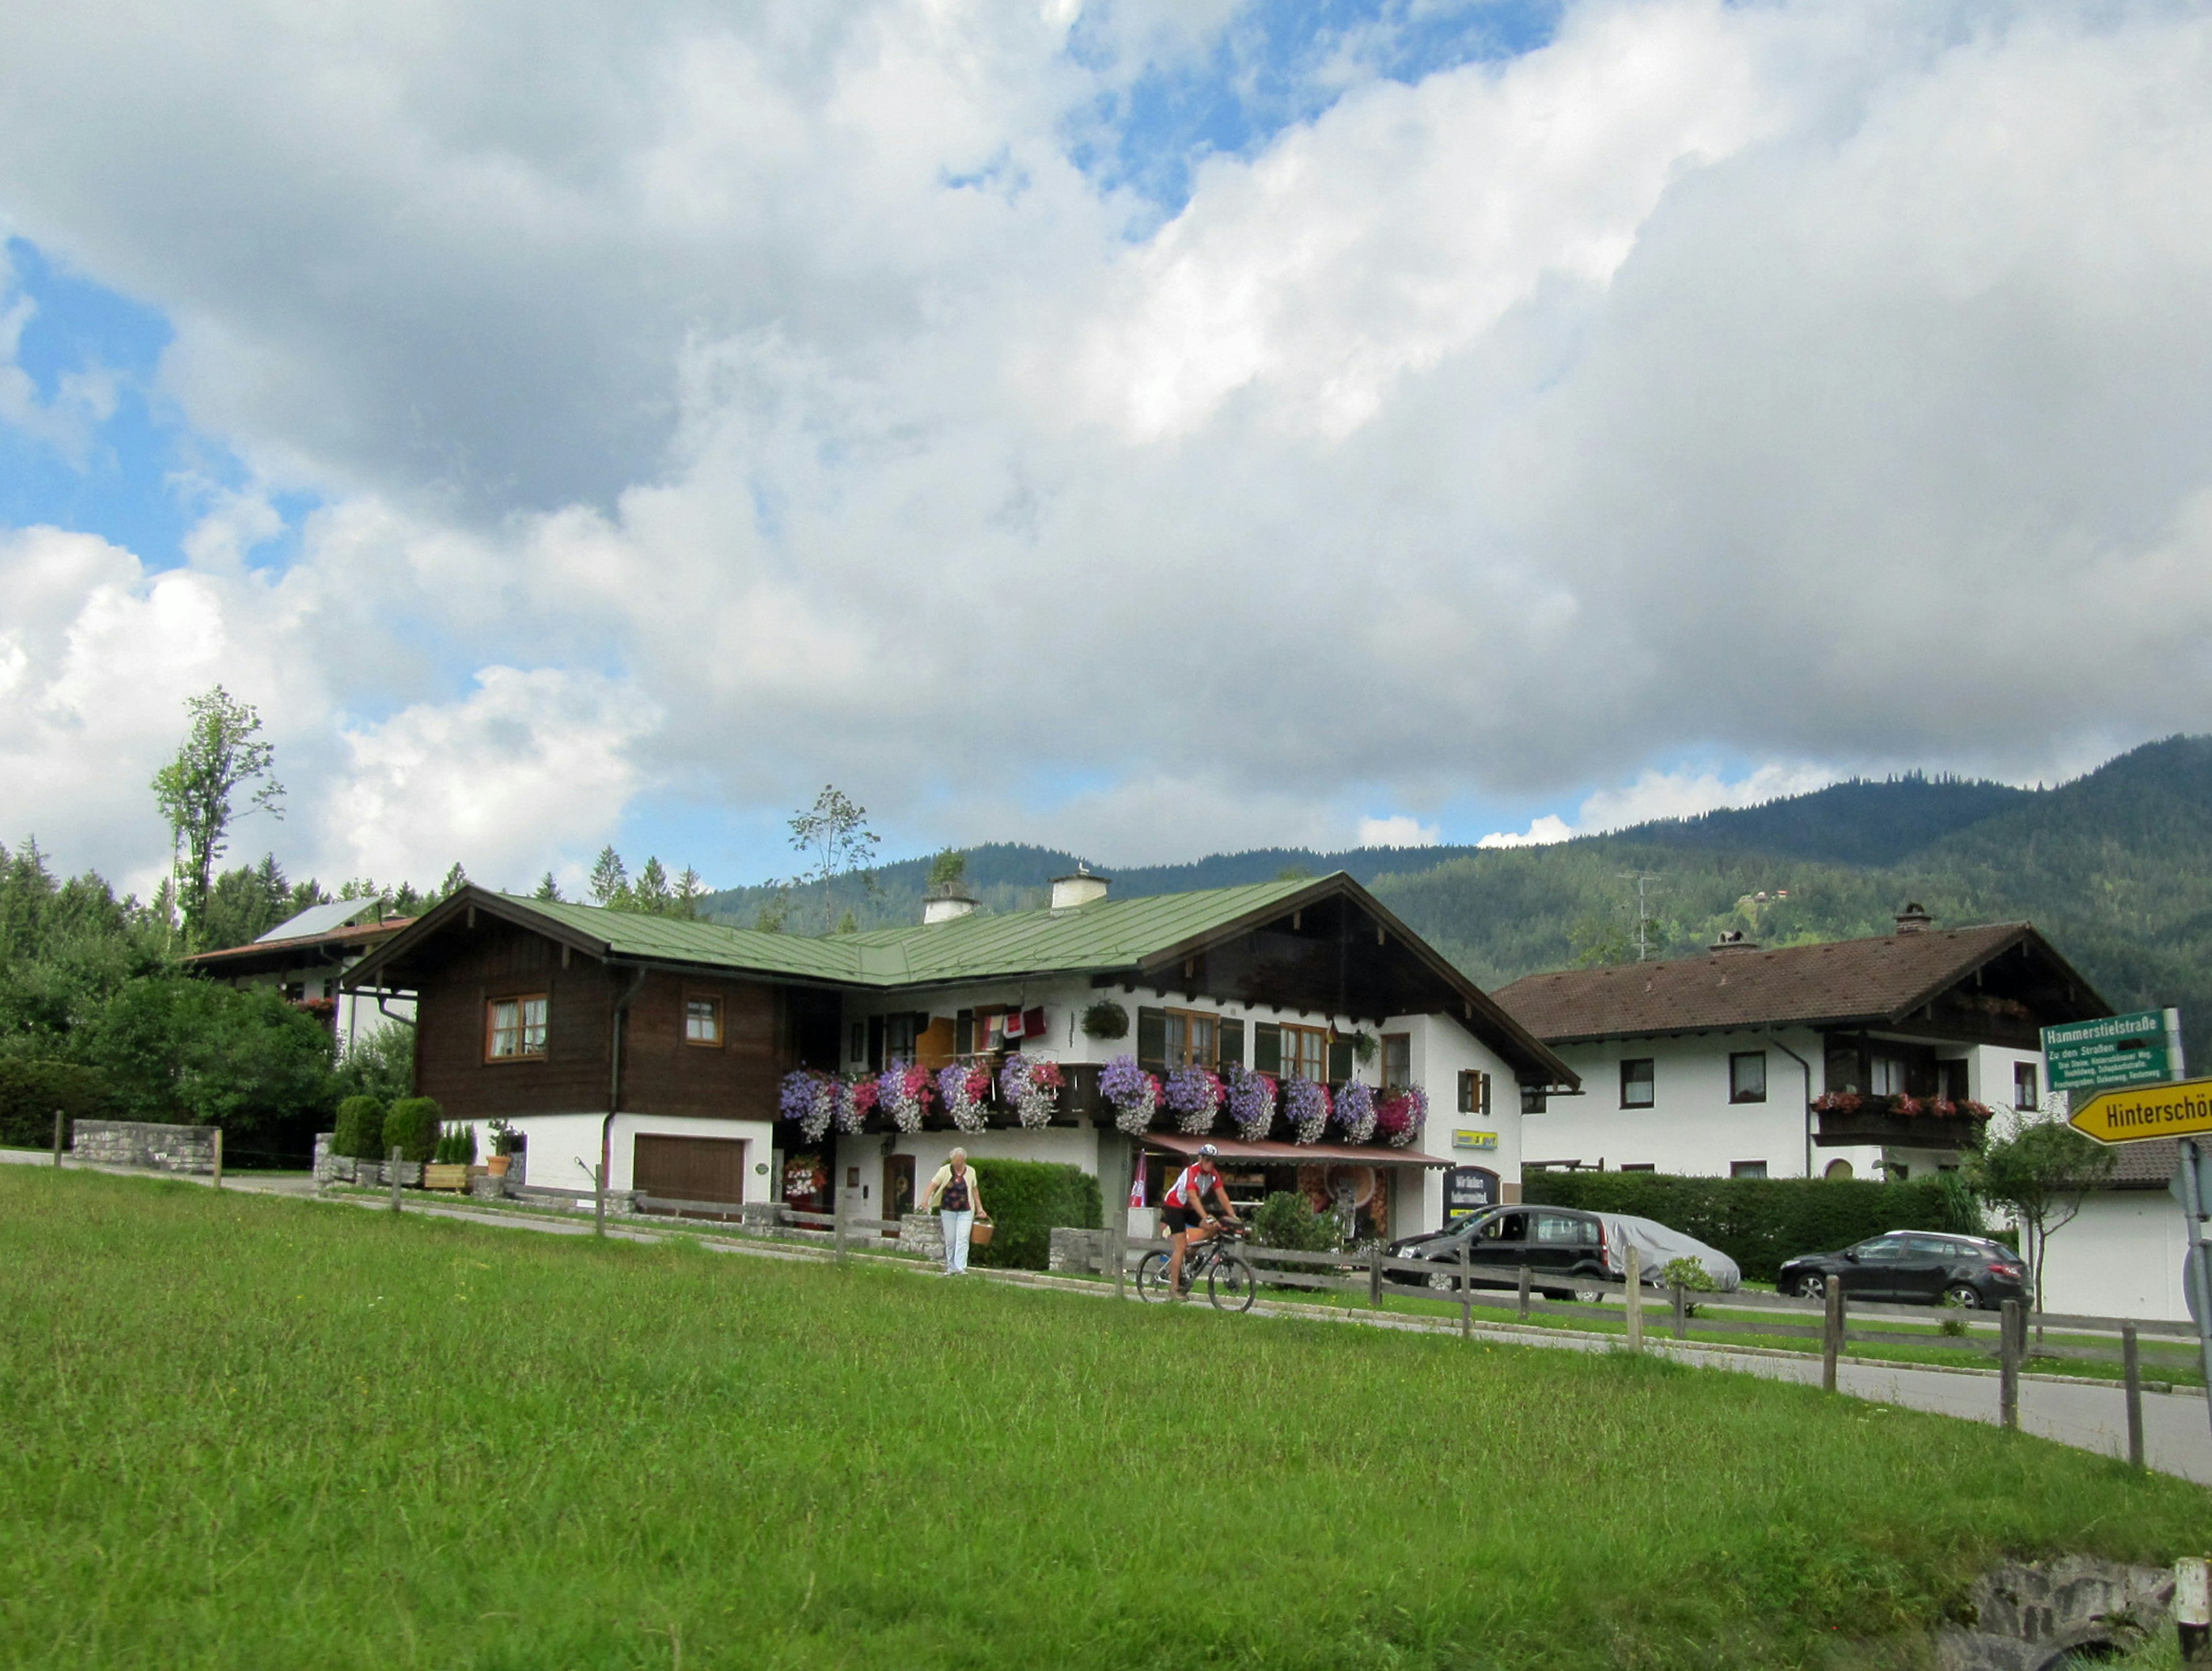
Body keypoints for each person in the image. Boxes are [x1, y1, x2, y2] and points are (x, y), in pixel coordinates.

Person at [1161, 1144, 1240, 1299]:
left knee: (1214, 1227)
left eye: (1213, 1161)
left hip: (1189, 1208)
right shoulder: (1192, 1172)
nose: (1210, 1164)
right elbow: (1193, 1197)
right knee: (1180, 1247)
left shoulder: (1213, 1175)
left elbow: (1222, 1195)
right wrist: (1205, 1217)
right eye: (1208, 1160)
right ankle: (1173, 1289)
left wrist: (1234, 1216)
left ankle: (1190, 1255)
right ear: (1201, 1159)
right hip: (1175, 1206)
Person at [924, 1148, 989, 1275]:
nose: (958, 1163)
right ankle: (951, 1267)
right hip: (948, 1210)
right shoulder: (945, 1171)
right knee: (951, 1239)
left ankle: (960, 1268)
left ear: (964, 1160)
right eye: (955, 1160)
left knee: (963, 1238)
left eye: (960, 1160)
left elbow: (975, 1190)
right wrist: (925, 1200)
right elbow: (933, 1185)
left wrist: (980, 1208)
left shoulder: (971, 1171)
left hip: (966, 1210)